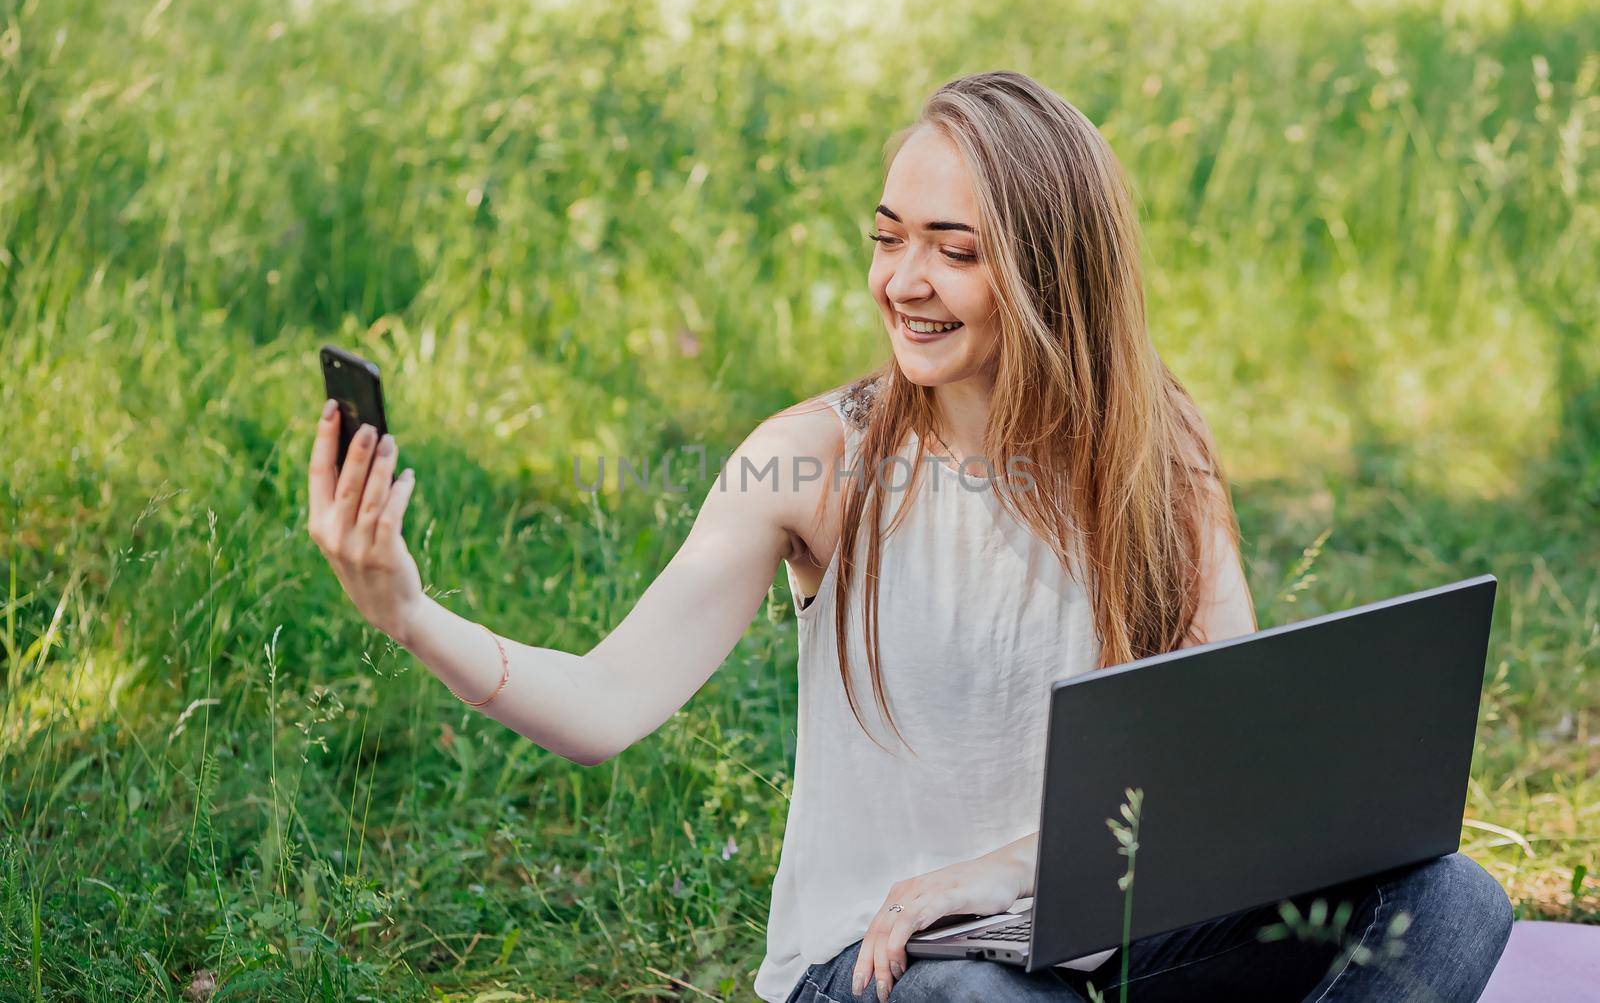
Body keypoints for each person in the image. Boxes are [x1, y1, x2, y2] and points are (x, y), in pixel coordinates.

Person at [305, 70, 1513, 1002]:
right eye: (889, 237)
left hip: (1083, 938)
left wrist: (997, 872)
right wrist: (407, 609)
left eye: (956, 249)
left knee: (1448, 898)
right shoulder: (812, 460)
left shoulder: (1161, 449)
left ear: (1053, 273)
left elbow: (1213, 784)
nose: (903, 281)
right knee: (971, 988)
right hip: (883, 965)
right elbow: (600, 706)